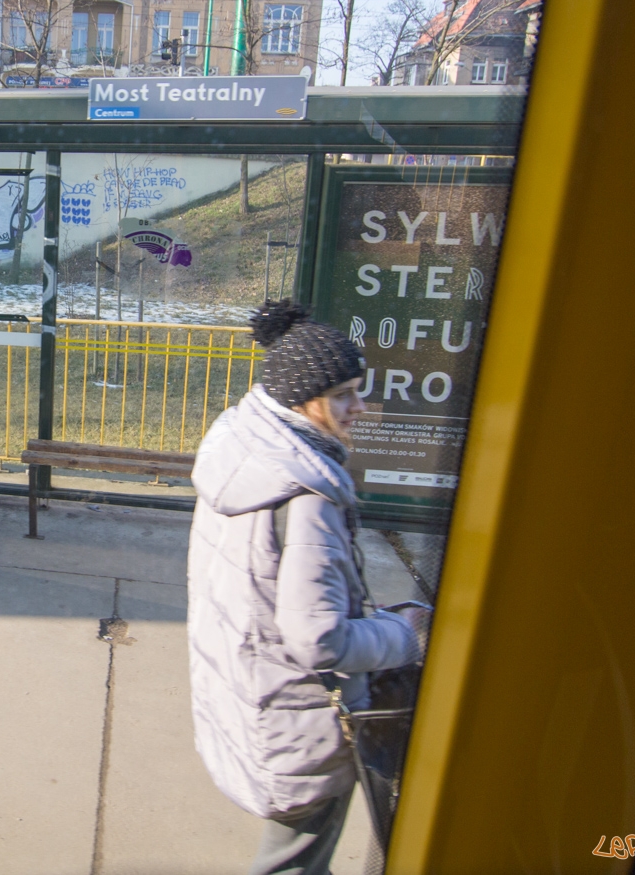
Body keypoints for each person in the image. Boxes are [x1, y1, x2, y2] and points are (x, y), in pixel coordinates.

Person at [187, 299, 429, 875]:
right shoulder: (306, 496)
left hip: (255, 693)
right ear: (302, 398)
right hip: (301, 723)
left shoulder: (244, 452)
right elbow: (318, 638)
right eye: (343, 394)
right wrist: (406, 635)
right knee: (294, 864)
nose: (359, 408)